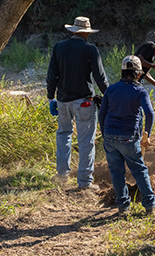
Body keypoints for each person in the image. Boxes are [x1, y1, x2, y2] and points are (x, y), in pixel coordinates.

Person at [46, 16, 109, 191]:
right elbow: (100, 77)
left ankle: (62, 175)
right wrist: (110, 96)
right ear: (86, 33)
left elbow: (52, 76)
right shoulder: (90, 49)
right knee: (86, 141)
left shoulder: (59, 47)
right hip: (84, 102)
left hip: (63, 100)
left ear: (73, 31)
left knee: (63, 135)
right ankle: (85, 182)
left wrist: (51, 97)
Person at [99, 55, 155, 215]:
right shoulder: (139, 91)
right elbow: (150, 114)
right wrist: (147, 135)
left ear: (122, 71)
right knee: (139, 170)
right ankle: (150, 207)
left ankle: (123, 207)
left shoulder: (111, 89)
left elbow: (102, 113)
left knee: (117, 172)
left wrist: (106, 135)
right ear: (139, 74)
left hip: (110, 136)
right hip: (128, 137)